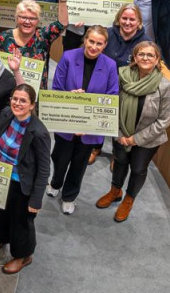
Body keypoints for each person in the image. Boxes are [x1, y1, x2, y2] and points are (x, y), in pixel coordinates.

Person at [95, 40, 170, 222]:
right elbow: (111, 105)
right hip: (121, 133)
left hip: (148, 139)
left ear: (157, 60)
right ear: (135, 57)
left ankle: (129, 199)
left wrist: (134, 140)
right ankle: (115, 191)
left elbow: (163, 121)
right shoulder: (122, 76)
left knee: (138, 169)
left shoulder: (165, 86)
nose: (145, 58)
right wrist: (121, 135)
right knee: (120, 162)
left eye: (150, 55)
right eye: (141, 54)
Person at [46, 25, 119, 214]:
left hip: (91, 128)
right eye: (91, 41)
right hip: (67, 121)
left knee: (79, 165)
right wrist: (71, 96)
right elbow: (57, 89)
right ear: (85, 40)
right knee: (60, 159)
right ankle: (55, 182)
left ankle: (69, 196)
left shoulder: (110, 65)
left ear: (105, 45)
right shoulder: (69, 57)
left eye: (99, 43)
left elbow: (112, 97)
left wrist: (88, 123)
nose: (94, 46)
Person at [0, 84, 50, 274]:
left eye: (23, 101)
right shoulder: (6, 114)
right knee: (0, 212)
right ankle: (1, 237)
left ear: (32, 105)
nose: (17, 103)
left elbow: (44, 169)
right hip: (0, 176)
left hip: (22, 183)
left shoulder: (39, 132)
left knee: (21, 222)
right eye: (15, 98)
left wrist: (36, 199)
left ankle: (23, 255)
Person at [0, 0, 66, 66]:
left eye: (32, 19)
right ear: (16, 18)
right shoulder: (4, 37)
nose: (27, 22)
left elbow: (62, 24)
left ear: (38, 21)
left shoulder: (43, 36)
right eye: (23, 17)